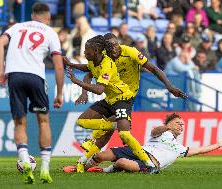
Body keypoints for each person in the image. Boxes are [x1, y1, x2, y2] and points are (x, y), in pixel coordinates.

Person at [65, 33, 187, 173]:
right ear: (105, 48)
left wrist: (169, 87)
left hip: (126, 96)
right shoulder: (104, 56)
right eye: (110, 47)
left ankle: (88, 151)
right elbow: (89, 72)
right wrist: (83, 91)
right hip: (111, 97)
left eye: (116, 44)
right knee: (108, 131)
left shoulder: (131, 52)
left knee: (117, 132)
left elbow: (153, 68)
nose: (115, 48)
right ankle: (83, 162)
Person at [0, 2, 64, 184]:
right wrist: (59, 93)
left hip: (15, 76)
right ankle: (45, 168)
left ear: (33, 15)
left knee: (20, 122)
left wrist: (1, 71)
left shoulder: (17, 27)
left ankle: (25, 160)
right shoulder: (50, 32)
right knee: (43, 120)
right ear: (48, 18)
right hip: (36, 77)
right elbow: (58, 65)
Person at [68, 113, 222, 173]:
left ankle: (104, 171)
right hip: (139, 151)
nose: (182, 126)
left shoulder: (179, 148)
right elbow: (154, 131)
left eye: (182, 125)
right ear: (170, 123)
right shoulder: (161, 132)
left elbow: (199, 150)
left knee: (122, 163)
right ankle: (78, 169)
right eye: (178, 123)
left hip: (151, 163)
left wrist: (218, 144)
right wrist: (166, 126)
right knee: (101, 154)